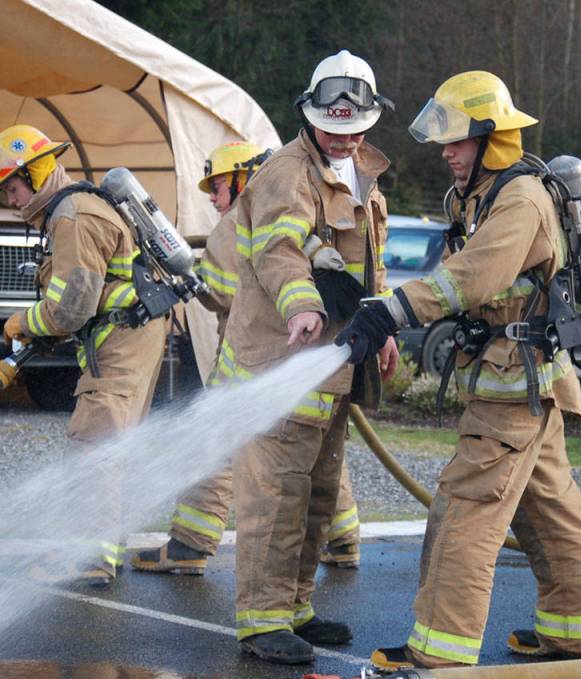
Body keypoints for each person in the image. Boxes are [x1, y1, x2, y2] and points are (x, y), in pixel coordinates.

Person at [336, 71, 581, 670]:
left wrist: (391, 311)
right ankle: (575, 634)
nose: (446, 152)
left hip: (516, 387)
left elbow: (472, 277)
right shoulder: (478, 196)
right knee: (550, 512)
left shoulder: (522, 200)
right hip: (524, 384)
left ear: (491, 138)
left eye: (457, 141)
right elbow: (459, 272)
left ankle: (439, 650)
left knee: (464, 511)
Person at [215, 49, 396, 665]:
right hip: (280, 364)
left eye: (352, 129)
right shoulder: (284, 174)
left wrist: (386, 325)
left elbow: (371, 264)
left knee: (318, 495)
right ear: (308, 116)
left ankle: (293, 607)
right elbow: (278, 249)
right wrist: (300, 306)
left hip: (333, 368)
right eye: (330, 127)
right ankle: (261, 622)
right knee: (277, 498)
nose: (341, 138)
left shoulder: (364, 174)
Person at [131, 141, 364, 575]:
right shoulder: (306, 215)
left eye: (218, 187)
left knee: (212, 440)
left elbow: (220, 293)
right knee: (318, 453)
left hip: (250, 358)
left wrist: (188, 276)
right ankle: (344, 539)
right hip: (305, 361)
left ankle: (189, 543)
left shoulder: (235, 225)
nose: (215, 200)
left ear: (242, 179)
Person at [0, 125, 166, 588]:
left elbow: (71, 308)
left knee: (93, 445)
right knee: (107, 446)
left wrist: (22, 323)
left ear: (34, 175)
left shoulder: (73, 217)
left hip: (121, 342)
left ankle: (90, 559)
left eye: (13, 189)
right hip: (127, 336)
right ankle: (99, 552)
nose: (12, 202)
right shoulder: (72, 210)